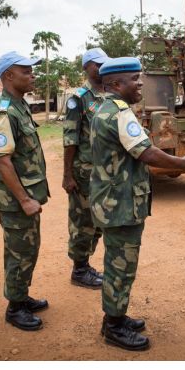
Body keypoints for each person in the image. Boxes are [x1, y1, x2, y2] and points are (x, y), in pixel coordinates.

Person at [90, 57, 185, 351]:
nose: (140, 84)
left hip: (113, 201)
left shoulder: (104, 108)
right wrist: (184, 164)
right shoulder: (120, 113)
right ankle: (113, 325)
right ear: (115, 84)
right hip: (120, 204)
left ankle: (116, 316)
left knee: (119, 262)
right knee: (120, 265)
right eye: (134, 79)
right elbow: (147, 153)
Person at [0, 51, 50, 331]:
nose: (32, 75)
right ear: (8, 76)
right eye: (26, 72)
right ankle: (15, 308)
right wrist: (24, 199)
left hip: (25, 197)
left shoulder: (19, 105)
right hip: (14, 200)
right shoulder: (4, 111)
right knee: (19, 251)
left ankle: (21, 297)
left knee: (28, 247)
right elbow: (3, 161)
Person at [62, 48, 109, 289]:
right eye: (97, 64)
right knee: (82, 223)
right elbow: (70, 138)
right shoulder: (78, 97)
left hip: (104, 174)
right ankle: (79, 269)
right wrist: (67, 175)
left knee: (99, 222)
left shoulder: (108, 94)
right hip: (84, 174)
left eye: (104, 64)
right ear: (86, 67)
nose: (101, 68)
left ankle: (86, 264)